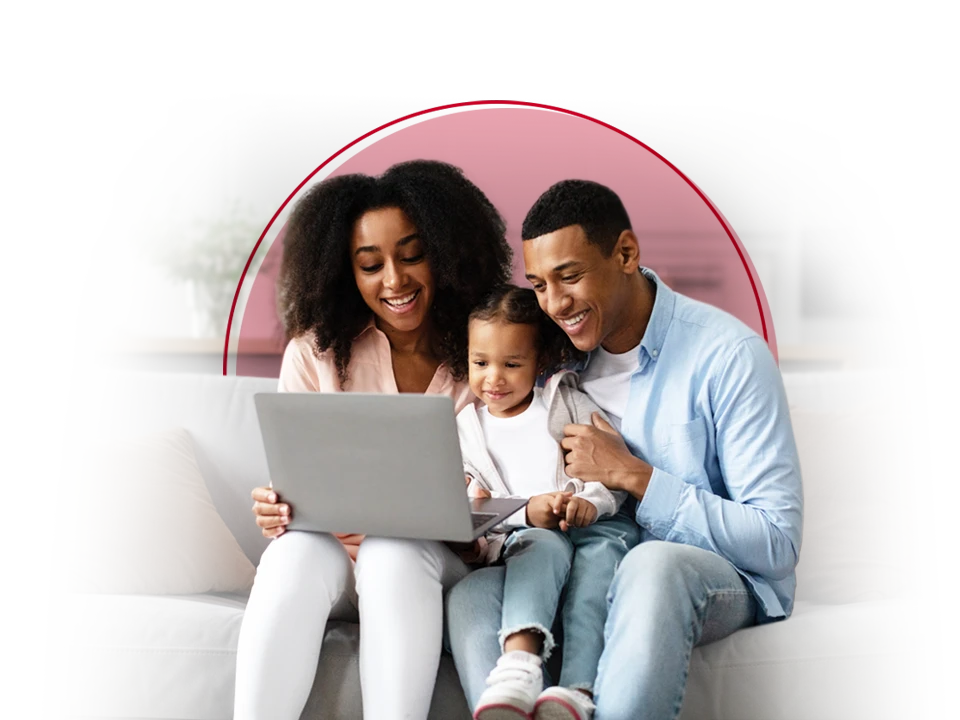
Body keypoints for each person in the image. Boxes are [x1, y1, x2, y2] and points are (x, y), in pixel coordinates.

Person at [445, 179, 804, 720]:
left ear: (626, 253)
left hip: (708, 573)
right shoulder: (551, 363)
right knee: (471, 598)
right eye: (540, 284)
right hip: (580, 557)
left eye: (570, 277)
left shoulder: (728, 356)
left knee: (651, 565)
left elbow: (777, 543)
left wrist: (637, 476)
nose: (555, 303)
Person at [235, 159, 512, 720]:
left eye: (412, 255)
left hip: (442, 564)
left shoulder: (495, 355)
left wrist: (473, 525)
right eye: (370, 264)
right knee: (292, 552)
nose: (394, 280)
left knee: (393, 547)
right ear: (345, 272)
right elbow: (299, 479)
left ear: (447, 251)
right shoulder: (313, 355)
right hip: (337, 560)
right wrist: (279, 506)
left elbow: (522, 483)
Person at [457, 285, 642, 720]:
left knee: (596, 580)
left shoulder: (567, 403)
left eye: (512, 364)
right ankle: (516, 671)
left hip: (594, 530)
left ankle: (576, 688)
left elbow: (610, 469)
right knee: (532, 548)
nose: (494, 378)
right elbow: (474, 506)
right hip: (526, 542)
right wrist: (521, 513)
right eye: (480, 363)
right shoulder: (467, 429)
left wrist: (590, 504)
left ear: (539, 362)